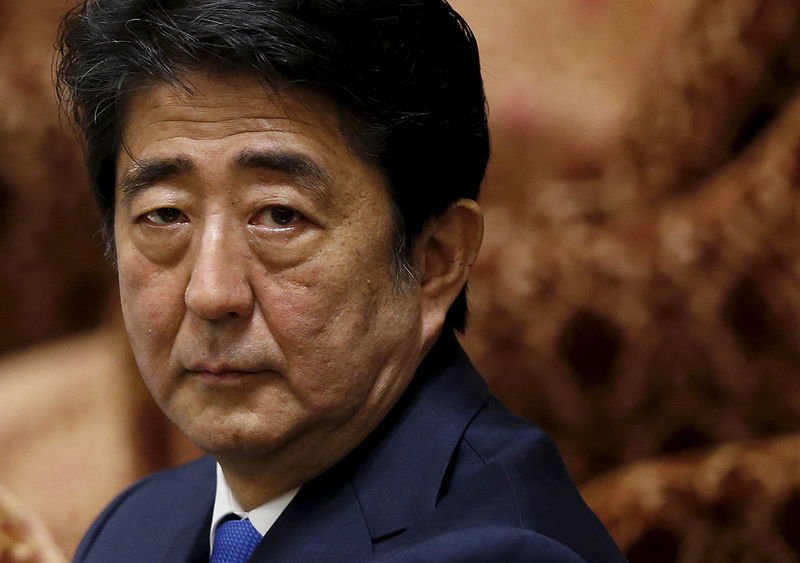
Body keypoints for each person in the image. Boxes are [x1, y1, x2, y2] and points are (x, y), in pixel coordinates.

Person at [56, 1, 625, 561]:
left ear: (435, 260)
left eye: (280, 215)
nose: (211, 293)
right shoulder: (132, 528)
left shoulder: (502, 552)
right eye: (165, 215)